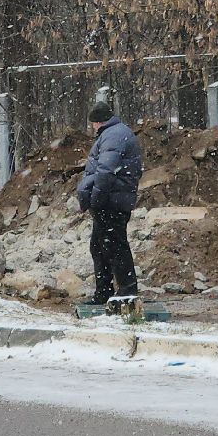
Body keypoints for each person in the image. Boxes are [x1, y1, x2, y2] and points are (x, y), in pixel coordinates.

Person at [75, 103, 143, 307]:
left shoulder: (113, 135)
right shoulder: (115, 132)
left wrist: (95, 199)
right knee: (99, 246)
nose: (93, 128)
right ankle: (104, 292)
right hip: (113, 199)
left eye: (93, 124)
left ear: (97, 122)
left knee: (114, 246)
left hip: (111, 201)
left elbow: (105, 171)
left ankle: (126, 293)